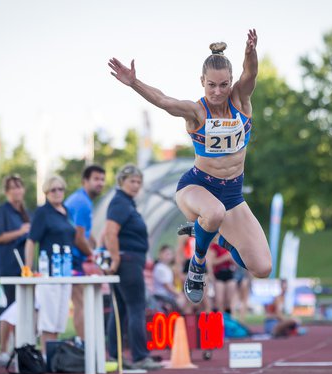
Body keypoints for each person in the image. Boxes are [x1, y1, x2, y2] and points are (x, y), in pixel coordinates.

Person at [109, 29, 271, 305]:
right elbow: (163, 101)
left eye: (223, 85)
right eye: (212, 85)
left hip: (232, 195)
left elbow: (251, 74)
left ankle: (210, 233)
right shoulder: (196, 112)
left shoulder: (241, 102)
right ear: (202, 82)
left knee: (262, 268)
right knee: (213, 211)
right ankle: (197, 266)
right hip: (197, 187)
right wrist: (134, 83)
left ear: (231, 82)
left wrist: (250, 53)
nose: (218, 92)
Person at [103, 164, 162, 371]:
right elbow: (110, 232)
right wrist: (115, 259)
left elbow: (107, 233)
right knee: (136, 308)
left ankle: (116, 356)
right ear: (121, 182)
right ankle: (140, 356)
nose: (136, 185)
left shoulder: (124, 203)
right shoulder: (120, 203)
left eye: (139, 182)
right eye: (132, 181)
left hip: (127, 260)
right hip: (127, 262)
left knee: (119, 309)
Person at [24, 175, 75, 356]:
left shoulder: (66, 211)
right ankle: (47, 355)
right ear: (46, 192)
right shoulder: (43, 212)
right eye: (53, 190)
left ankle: (56, 356)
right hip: (49, 271)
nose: (57, 193)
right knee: (48, 316)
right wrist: (28, 269)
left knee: (61, 315)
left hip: (65, 269)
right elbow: (31, 241)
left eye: (60, 189)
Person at [64, 164, 106, 347]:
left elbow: (84, 233)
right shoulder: (82, 203)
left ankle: (86, 344)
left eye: (102, 179)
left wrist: (93, 242)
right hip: (71, 260)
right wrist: (95, 256)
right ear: (85, 181)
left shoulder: (82, 200)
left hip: (72, 258)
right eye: (96, 179)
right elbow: (79, 238)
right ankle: (85, 347)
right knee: (80, 303)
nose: (100, 183)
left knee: (81, 302)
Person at [0, 175, 30, 365]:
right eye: (12, 188)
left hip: (24, 266)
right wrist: (21, 231)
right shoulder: (3, 210)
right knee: (10, 306)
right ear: (7, 192)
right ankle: (2, 350)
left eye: (19, 187)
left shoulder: (25, 211)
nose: (17, 191)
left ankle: (20, 347)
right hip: (9, 263)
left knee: (22, 307)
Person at [207, 241, 238, 314]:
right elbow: (212, 262)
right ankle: (221, 319)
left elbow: (237, 265)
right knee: (220, 300)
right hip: (219, 274)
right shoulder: (215, 245)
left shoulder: (232, 245)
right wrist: (225, 258)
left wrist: (231, 259)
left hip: (230, 274)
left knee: (230, 300)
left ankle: (229, 319)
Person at [152, 245, 181, 313]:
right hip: (162, 297)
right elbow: (168, 286)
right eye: (167, 254)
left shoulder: (168, 268)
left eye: (170, 254)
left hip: (168, 297)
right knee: (184, 301)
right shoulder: (159, 267)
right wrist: (179, 294)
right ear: (160, 254)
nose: (169, 257)